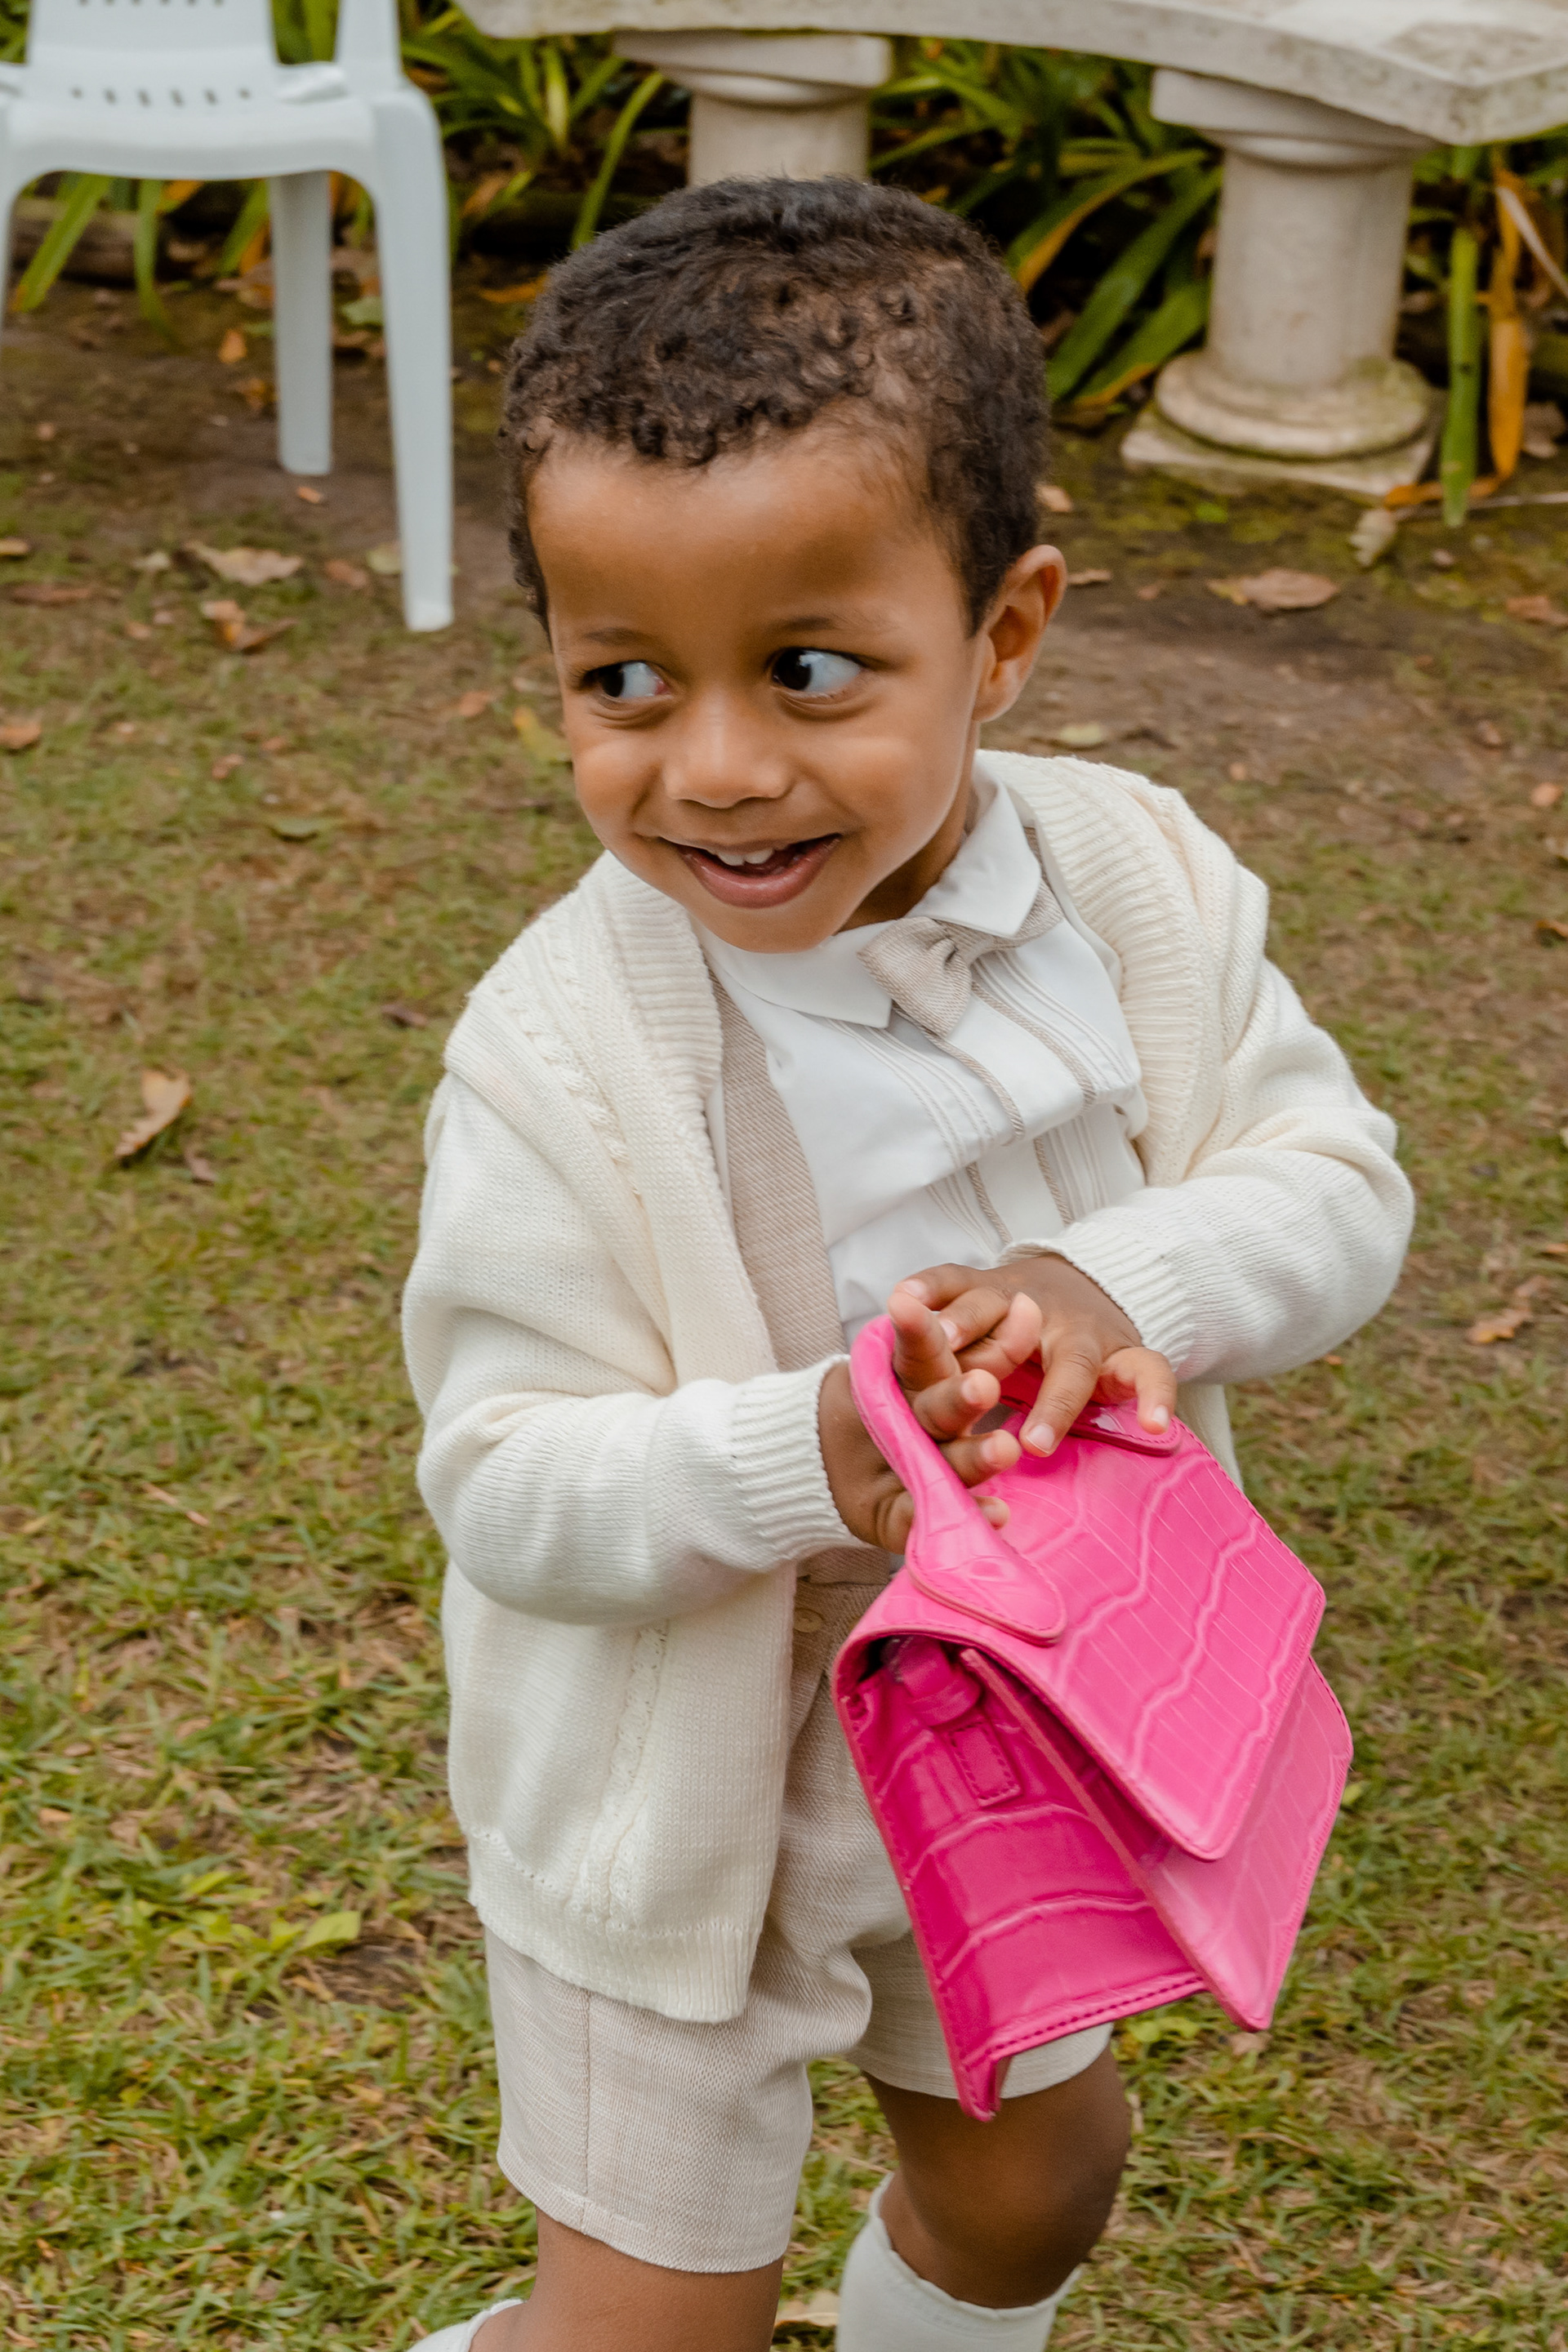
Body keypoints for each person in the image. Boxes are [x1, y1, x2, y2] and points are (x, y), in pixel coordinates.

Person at [399, 176, 1412, 2352]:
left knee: (1034, 2200)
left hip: (1018, 1734)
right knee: (654, 2329)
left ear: (1006, 632)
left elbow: (1333, 1178)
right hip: (673, 1805)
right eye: (622, 680)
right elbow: (504, 1479)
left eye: (811, 670)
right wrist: (811, 1451)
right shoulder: (561, 1050)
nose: (718, 767)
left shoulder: (1138, 885)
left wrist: (1121, 1284)